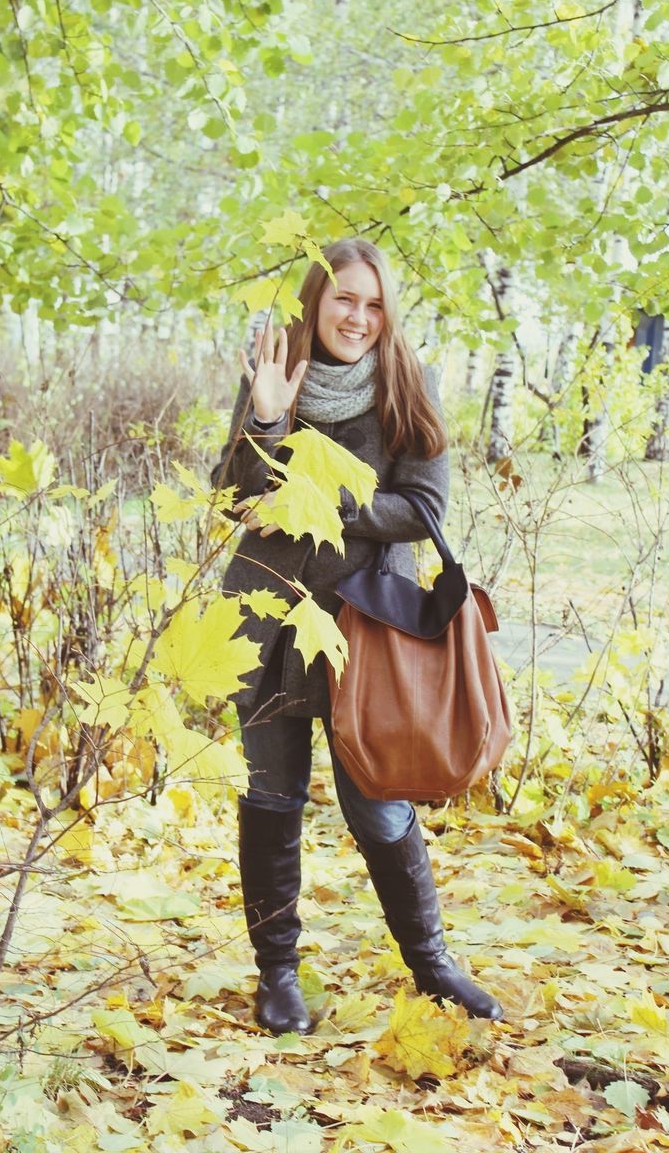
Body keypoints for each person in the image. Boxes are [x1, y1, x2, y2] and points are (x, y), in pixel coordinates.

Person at [211, 237, 504, 1035]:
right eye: (345, 298)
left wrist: (319, 501)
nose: (359, 317)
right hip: (266, 620)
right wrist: (267, 419)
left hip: (370, 630)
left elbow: (423, 510)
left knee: (378, 812)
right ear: (316, 299)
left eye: (374, 304)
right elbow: (231, 494)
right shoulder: (274, 372)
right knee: (270, 799)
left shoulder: (410, 384)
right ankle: (278, 976)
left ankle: (433, 965)